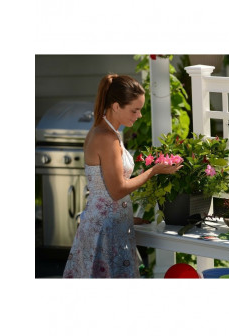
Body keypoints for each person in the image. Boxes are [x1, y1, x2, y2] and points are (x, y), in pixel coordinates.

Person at [63, 74, 182, 278]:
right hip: (105, 232)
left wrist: (126, 216)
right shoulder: (106, 138)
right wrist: (153, 171)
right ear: (116, 106)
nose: (139, 115)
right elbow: (117, 190)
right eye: (135, 110)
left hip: (107, 223)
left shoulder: (107, 132)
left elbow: (104, 191)